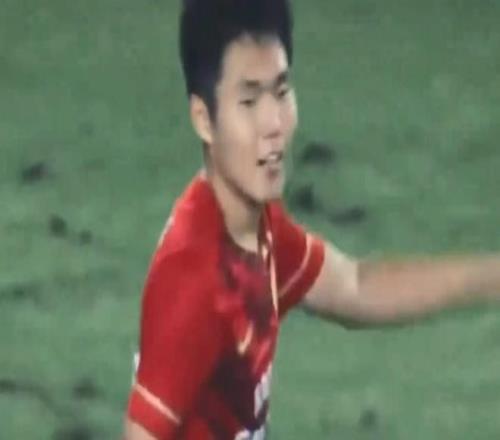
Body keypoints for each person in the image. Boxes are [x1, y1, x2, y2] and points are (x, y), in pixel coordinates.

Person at [123, 0, 500, 438]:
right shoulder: (194, 280)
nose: (273, 124)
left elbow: (355, 286)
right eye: (249, 101)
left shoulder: (253, 226)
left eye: (281, 92)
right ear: (204, 120)